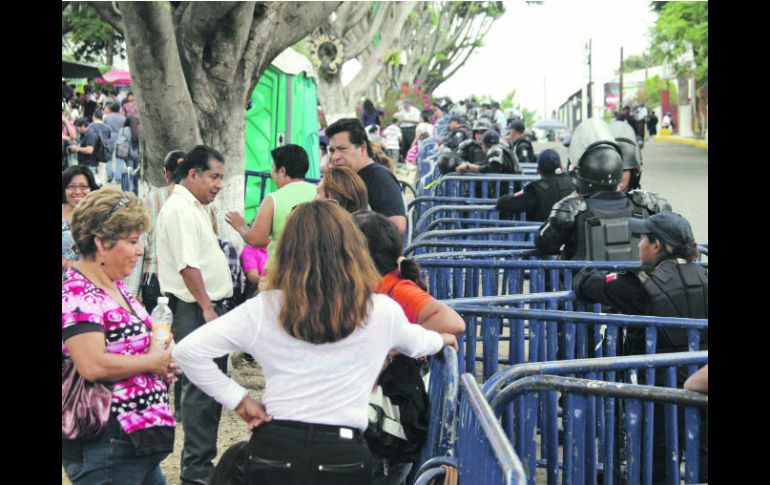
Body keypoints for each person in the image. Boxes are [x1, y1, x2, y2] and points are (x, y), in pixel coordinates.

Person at [172, 201, 458, 484]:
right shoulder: (381, 310)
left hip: (274, 447)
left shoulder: (266, 308)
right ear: (352, 250)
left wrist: (240, 401)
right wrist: (442, 339)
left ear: (288, 251)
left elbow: (188, 352)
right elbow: (419, 342)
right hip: (344, 454)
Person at [572, 210, 707, 483]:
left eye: (643, 239)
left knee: (653, 466)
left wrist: (587, 268)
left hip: (658, 392)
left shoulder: (640, 285)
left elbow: (586, 284)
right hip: (703, 382)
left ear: (657, 245)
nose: (638, 245)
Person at [62, 188, 178, 484]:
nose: (140, 250)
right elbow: (92, 365)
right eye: (131, 241)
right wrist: (152, 362)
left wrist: (163, 356)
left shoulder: (116, 287)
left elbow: (142, 340)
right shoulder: (77, 293)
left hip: (136, 442)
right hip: (106, 444)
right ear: (101, 243)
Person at [354, 210, 465, 484]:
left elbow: (452, 322)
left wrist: (395, 347)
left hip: (385, 425)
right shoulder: (369, 288)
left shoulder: (394, 288)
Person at [156, 145, 232, 485]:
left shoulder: (195, 206)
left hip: (205, 308)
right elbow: (188, 265)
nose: (218, 185)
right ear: (192, 174)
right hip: (194, 309)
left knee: (211, 388)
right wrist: (207, 307)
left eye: (221, 178)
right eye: (213, 177)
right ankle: (197, 469)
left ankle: (202, 464)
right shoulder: (180, 209)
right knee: (200, 392)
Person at [535, 118, 671, 261]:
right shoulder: (647, 206)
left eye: (626, 169)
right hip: (631, 283)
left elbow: (543, 244)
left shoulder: (573, 209)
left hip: (588, 283)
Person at [225, 144, 317, 269]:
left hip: (281, 271)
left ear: (282, 171)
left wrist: (241, 225)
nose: (271, 173)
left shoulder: (273, 199)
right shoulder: (320, 193)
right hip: (316, 269)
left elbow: (257, 239)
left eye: (273, 167)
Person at [326, 118, 407, 235]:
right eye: (332, 150)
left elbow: (396, 226)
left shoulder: (379, 177)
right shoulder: (350, 177)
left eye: (342, 149)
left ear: (362, 148)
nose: (335, 156)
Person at [495, 149, 576, 222]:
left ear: (539, 171)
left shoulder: (537, 189)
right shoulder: (575, 183)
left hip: (544, 236)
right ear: (561, 167)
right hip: (574, 237)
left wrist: (503, 199)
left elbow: (504, 204)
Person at [62, 166, 100, 271]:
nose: (78, 192)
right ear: (64, 190)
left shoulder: (98, 215)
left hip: (89, 280)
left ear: (91, 189)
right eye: (72, 186)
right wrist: (68, 263)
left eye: (83, 187)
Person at [455, 130, 519, 175]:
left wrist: (468, 167)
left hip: (512, 190)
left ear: (484, 145)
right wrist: (468, 165)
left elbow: (491, 168)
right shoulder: (502, 148)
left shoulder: (495, 150)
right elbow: (485, 163)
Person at [608, 120, 643, 192]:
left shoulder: (645, 202)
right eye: (609, 169)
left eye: (623, 170)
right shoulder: (587, 201)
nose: (616, 175)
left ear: (633, 173)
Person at [104, 102, 127, 184]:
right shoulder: (123, 118)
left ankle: (109, 175)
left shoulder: (107, 117)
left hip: (109, 138)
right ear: (119, 109)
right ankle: (118, 177)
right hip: (121, 139)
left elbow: (105, 128)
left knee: (108, 158)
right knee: (120, 159)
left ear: (111, 109)